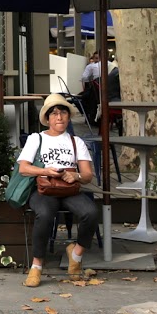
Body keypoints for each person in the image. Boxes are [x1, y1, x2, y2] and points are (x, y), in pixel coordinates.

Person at [19, 94, 97, 288]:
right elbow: (24, 168)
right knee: (44, 214)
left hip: (69, 189)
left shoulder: (75, 141)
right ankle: (37, 266)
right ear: (47, 119)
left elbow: (88, 175)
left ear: (68, 117)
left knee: (91, 212)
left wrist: (76, 176)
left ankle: (76, 254)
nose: (59, 117)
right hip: (44, 189)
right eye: (54, 113)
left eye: (63, 112)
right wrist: (46, 170)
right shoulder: (36, 138)